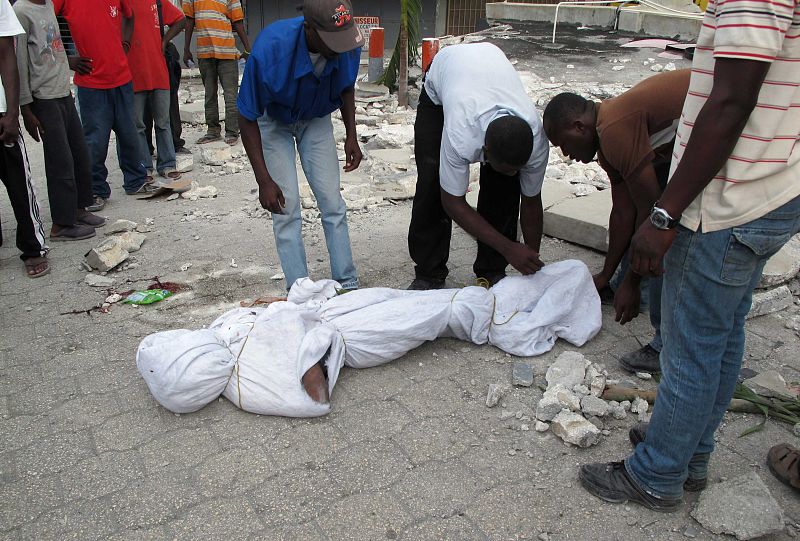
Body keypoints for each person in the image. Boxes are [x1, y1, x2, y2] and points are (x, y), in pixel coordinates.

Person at [579, 0, 800, 511]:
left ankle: (657, 475)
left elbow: (731, 100)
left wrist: (664, 216)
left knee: (689, 346)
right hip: (764, 190)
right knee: (719, 336)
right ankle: (689, 454)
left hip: (728, 203)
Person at [542, 69, 691, 374]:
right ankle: (624, 285)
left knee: (669, 241)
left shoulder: (614, 130)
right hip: (680, 144)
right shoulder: (606, 140)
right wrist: (607, 276)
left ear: (579, 126)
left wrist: (632, 283)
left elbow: (654, 219)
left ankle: (665, 347)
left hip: (726, 128)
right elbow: (624, 213)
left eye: (563, 143)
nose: (565, 154)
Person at [238, 0, 364, 292]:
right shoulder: (270, 50)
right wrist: (264, 180)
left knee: (333, 203)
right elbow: (246, 117)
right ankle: (299, 290)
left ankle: (347, 282)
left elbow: (345, 86)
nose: (340, 48)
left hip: (316, 118)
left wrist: (351, 134)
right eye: (332, 41)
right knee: (286, 207)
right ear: (309, 29)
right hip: (275, 120)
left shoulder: (346, 42)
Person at [407, 43, 549, 291]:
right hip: (443, 81)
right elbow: (452, 201)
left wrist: (529, 257)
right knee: (431, 183)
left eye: (518, 168)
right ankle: (429, 274)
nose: (515, 173)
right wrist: (509, 246)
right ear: (485, 151)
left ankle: (491, 271)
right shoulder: (461, 134)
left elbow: (531, 201)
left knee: (504, 190)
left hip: (489, 64)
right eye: (506, 166)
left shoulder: (535, 139)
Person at [14, 0, 107, 241]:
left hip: (63, 92)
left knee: (79, 154)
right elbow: (19, 63)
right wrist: (26, 108)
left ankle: (78, 209)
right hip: (43, 98)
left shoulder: (48, 6)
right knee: (60, 162)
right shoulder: (21, 12)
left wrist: (70, 62)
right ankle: (61, 225)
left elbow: (52, 47)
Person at [53, 0, 156, 211]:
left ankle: (135, 180)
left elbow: (130, 15)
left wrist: (125, 42)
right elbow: (46, 24)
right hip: (91, 82)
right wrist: (67, 59)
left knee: (129, 133)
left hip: (122, 78)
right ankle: (96, 189)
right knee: (95, 140)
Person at [0, 0, 49, 277]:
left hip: (0, 112)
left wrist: (12, 111)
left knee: (19, 185)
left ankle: (32, 247)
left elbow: (6, 53)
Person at [127, 0, 185, 181]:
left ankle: (167, 164)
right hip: (133, 75)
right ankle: (144, 167)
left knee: (163, 122)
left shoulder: (158, 3)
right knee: (137, 125)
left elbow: (180, 19)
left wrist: (165, 40)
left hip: (159, 73)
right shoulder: (121, 4)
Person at [182, 0, 250, 146]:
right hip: (204, 52)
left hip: (227, 51)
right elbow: (189, 20)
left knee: (230, 95)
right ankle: (213, 130)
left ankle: (232, 131)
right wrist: (186, 49)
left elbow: (237, 22)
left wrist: (248, 48)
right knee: (209, 94)